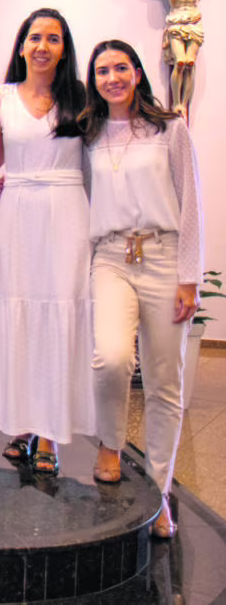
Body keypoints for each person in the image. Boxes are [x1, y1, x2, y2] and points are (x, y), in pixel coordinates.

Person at [79, 39, 203, 539]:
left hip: (164, 257)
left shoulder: (170, 129)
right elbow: (75, 191)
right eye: (102, 71)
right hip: (111, 256)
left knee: (164, 381)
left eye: (120, 68)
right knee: (110, 357)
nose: (112, 78)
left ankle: (159, 492)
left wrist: (189, 277)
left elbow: (191, 203)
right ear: (94, 80)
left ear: (136, 73)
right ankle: (109, 443)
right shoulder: (88, 135)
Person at [0, 8, 94, 476]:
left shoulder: (81, 98)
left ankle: (51, 432)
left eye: (53, 38)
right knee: (20, 315)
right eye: (35, 37)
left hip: (67, 213)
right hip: (18, 213)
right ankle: (22, 424)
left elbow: (95, 163)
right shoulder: (0, 98)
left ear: (64, 49)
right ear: (22, 45)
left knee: (58, 313)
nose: (42, 46)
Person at [97, 0, 226, 120]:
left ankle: (184, 103)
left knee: (190, 63)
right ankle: (176, 103)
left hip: (194, 22)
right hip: (175, 23)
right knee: (180, 62)